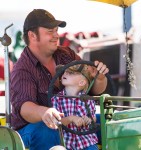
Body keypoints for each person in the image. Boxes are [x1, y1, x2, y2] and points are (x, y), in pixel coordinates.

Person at [10, 9, 109, 150]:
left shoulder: (66, 54)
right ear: (32, 35)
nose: (56, 35)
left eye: (56, 30)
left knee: (108, 122)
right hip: (31, 129)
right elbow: (24, 108)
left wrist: (99, 77)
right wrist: (44, 112)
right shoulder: (22, 69)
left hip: (70, 123)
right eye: (50, 31)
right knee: (47, 129)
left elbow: (93, 88)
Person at [51, 64, 99, 150]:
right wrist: (71, 118)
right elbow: (56, 122)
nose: (65, 73)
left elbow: (93, 118)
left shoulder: (88, 100)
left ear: (81, 83)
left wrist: (88, 120)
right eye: (65, 71)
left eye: (71, 73)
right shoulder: (56, 99)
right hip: (66, 142)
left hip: (86, 141)